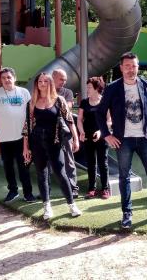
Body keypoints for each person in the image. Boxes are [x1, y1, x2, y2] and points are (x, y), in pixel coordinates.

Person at [97, 52, 147, 229]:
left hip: (145, 138)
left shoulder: (146, 84)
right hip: (123, 141)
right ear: (121, 68)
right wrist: (107, 134)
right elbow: (100, 112)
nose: (131, 69)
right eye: (127, 66)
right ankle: (127, 213)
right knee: (124, 177)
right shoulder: (113, 88)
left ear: (138, 67)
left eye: (134, 66)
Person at [22, 73, 81, 220]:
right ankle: (47, 206)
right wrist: (25, 147)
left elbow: (69, 120)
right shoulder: (32, 102)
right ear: (37, 84)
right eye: (40, 81)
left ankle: (72, 205)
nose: (42, 84)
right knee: (42, 175)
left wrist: (75, 139)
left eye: (45, 81)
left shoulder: (59, 100)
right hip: (36, 142)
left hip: (54, 142)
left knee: (61, 173)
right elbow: (26, 126)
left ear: (50, 83)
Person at [0, 67, 34, 203]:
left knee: (23, 166)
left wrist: (29, 135)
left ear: (14, 78)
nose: (6, 80)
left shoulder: (24, 92)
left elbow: (30, 114)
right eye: (3, 78)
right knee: (8, 167)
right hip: (3, 138)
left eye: (9, 77)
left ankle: (28, 193)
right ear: (0, 80)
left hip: (22, 138)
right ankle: (13, 191)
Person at [78, 77, 111, 200]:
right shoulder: (84, 102)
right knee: (91, 163)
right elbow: (80, 119)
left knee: (103, 163)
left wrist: (100, 131)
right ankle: (91, 188)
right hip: (87, 137)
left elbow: (109, 120)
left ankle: (105, 189)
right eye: (87, 87)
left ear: (97, 88)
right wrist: (81, 131)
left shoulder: (105, 101)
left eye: (89, 87)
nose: (87, 89)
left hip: (102, 137)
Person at [52, 68, 79, 198]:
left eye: (65, 80)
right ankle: (47, 189)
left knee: (69, 160)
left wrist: (75, 137)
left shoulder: (67, 92)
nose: (63, 82)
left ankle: (73, 187)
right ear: (53, 78)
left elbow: (66, 108)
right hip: (48, 131)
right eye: (61, 79)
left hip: (64, 132)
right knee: (48, 161)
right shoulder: (44, 91)